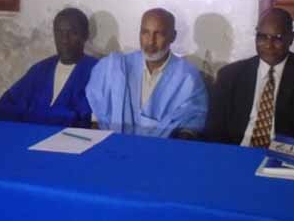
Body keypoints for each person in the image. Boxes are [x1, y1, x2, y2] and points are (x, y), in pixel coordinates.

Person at [206, 7, 294, 150]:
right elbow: (213, 130)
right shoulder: (230, 75)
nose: (269, 45)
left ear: (291, 38)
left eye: (278, 38)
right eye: (262, 37)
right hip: (238, 152)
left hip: (284, 155)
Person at [85, 8, 207, 138]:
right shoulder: (114, 68)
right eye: (145, 33)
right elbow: (96, 120)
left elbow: (191, 123)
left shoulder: (188, 77)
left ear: (173, 36)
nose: (150, 41)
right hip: (114, 146)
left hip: (164, 149)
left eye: (158, 34)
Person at [0, 8, 97, 126]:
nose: (64, 40)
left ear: (85, 35)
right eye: (59, 32)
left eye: (73, 33)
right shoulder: (40, 70)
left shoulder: (96, 72)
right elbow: (8, 105)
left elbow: (91, 117)